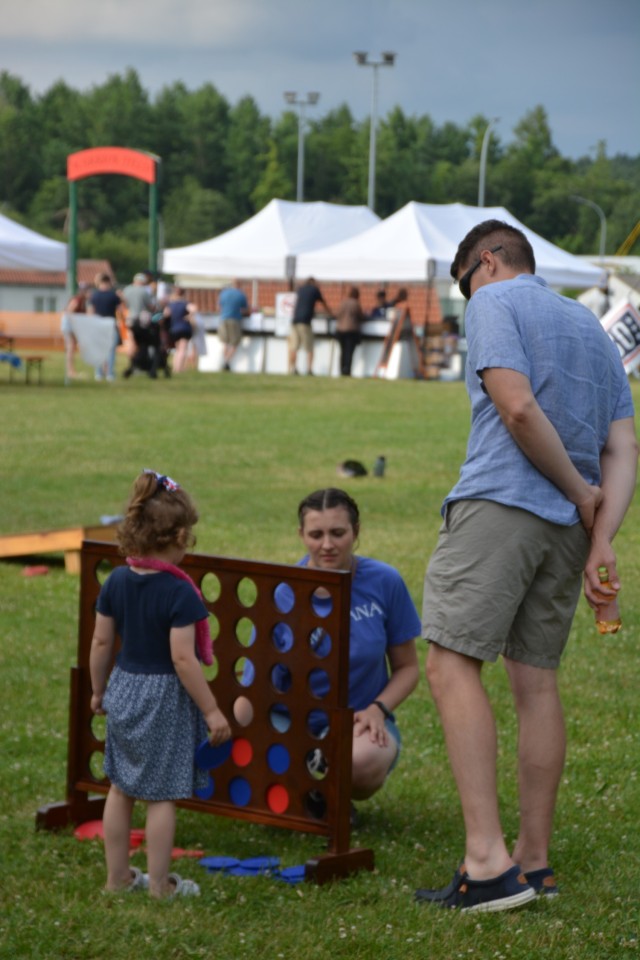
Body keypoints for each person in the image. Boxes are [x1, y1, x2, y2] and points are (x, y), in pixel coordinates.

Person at [416, 220, 637, 913]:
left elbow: (513, 404)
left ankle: (487, 863)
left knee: (451, 662)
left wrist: (576, 493)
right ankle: (534, 865)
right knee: (535, 683)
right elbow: (624, 449)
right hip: (570, 533)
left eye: (464, 285)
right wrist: (600, 535)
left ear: (487, 262)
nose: (466, 302)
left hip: (502, 506)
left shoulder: (493, 302)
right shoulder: (595, 331)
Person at [89, 469, 231, 898]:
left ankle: (118, 879)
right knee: (162, 794)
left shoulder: (116, 580)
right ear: (181, 536)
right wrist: (210, 710)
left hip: (124, 688)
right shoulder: (179, 593)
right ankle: (161, 887)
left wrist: (99, 691)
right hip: (162, 696)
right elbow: (183, 659)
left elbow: (100, 641)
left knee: (120, 786)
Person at [243, 488, 420, 811]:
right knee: (244, 745)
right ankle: (310, 792)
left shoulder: (384, 582)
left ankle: (320, 790)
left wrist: (378, 709)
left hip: (358, 719)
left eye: (338, 533)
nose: (327, 545)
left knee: (361, 763)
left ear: (356, 531)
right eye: (316, 534)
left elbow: (408, 668)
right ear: (301, 535)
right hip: (287, 720)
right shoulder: (280, 592)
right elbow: (252, 686)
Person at [289, 277, 332, 375]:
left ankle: (293, 368)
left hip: (295, 321)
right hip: (305, 322)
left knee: (294, 347)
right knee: (309, 347)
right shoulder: (315, 290)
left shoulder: (300, 289)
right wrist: (331, 313)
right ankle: (309, 370)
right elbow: (323, 303)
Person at [87, 272, 122, 381]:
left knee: (99, 349)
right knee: (111, 350)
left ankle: (98, 373)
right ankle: (110, 373)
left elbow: (90, 312)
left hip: (98, 324)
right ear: (109, 282)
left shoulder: (94, 295)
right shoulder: (114, 296)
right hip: (110, 324)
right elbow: (120, 311)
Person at [121, 272, 155, 374]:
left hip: (130, 318)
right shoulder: (145, 291)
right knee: (142, 343)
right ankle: (140, 365)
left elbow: (124, 305)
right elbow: (150, 306)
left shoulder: (126, 290)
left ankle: (132, 364)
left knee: (131, 342)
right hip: (142, 319)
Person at [218, 279, 249, 371]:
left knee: (225, 342)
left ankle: (225, 362)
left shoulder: (223, 293)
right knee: (235, 343)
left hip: (223, 319)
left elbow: (219, 307)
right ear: (239, 284)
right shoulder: (241, 294)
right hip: (235, 320)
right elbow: (246, 309)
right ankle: (226, 362)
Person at [164, 286, 197, 374]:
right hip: (184, 328)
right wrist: (190, 316)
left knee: (177, 349)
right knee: (183, 349)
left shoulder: (170, 304)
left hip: (173, 329)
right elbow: (194, 309)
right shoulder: (185, 303)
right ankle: (179, 369)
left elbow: (166, 314)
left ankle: (175, 367)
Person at [334, 286, 366, 376]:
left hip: (340, 330)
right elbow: (361, 316)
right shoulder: (356, 304)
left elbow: (337, 315)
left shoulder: (343, 303)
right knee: (349, 352)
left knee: (342, 351)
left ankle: (341, 369)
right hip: (351, 331)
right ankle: (347, 370)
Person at [60, 283, 88, 380]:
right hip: (69, 326)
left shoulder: (82, 301)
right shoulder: (77, 299)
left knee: (72, 347)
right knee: (71, 347)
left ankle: (71, 370)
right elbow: (69, 311)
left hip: (72, 326)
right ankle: (70, 371)